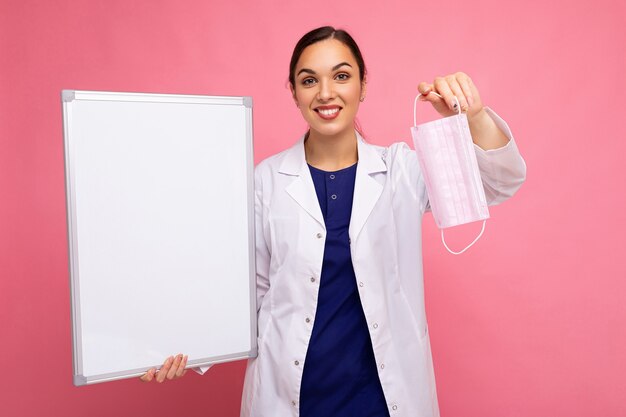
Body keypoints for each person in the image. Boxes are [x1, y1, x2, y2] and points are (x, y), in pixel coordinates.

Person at [140, 26, 526, 417]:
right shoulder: (265, 181)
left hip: (382, 402)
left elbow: (501, 182)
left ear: (362, 85)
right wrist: (179, 347)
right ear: (293, 91)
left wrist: (473, 117)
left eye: (341, 76)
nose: (326, 92)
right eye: (310, 80)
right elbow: (246, 296)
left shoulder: (402, 170)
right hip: (292, 398)